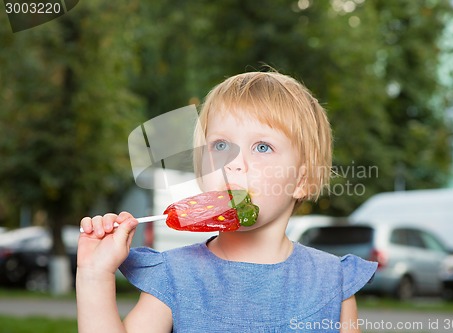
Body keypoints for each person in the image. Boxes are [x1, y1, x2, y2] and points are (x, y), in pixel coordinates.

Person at [77, 71, 377, 333]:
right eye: (220, 145)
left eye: (262, 146)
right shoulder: (175, 277)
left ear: (301, 181)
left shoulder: (331, 282)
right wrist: (94, 275)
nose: (233, 162)